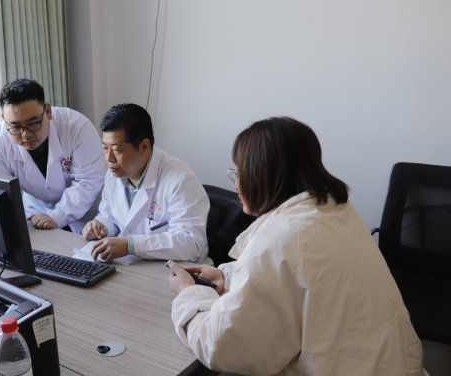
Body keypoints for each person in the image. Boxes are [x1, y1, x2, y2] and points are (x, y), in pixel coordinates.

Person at [168, 117, 426, 376]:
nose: (236, 184)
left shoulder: (281, 237)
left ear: (262, 175)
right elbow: (303, 277)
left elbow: (223, 346)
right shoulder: (333, 209)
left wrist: (189, 294)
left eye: (240, 173)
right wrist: (229, 277)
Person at [82, 103, 211, 264]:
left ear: (144, 147)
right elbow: (110, 217)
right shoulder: (113, 175)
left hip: (175, 270)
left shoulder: (180, 180)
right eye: (105, 148)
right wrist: (101, 226)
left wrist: (131, 245)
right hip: (132, 266)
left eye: (117, 150)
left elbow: (192, 245)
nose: (109, 159)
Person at [0, 79, 105, 235]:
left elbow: (87, 183)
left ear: (48, 111)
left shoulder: (77, 127)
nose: (25, 134)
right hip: (37, 213)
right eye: (15, 126)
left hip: (86, 214)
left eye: (33, 123)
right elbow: (0, 196)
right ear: (4, 119)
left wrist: (57, 216)